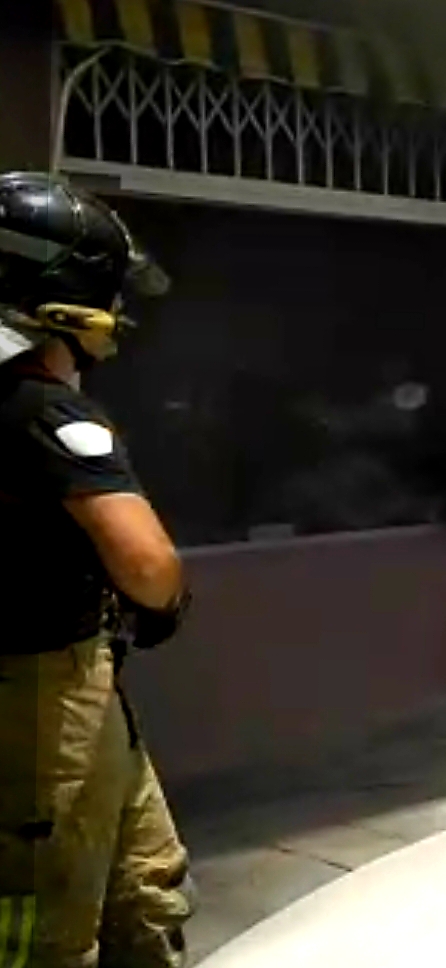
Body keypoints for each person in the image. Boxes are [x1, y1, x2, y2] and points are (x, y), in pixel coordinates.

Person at [0, 172, 194, 966]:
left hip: (65, 692)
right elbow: (148, 565)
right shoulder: (43, 408)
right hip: (45, 701)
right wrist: (166, 601)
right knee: (40, 928)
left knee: (142, 881)